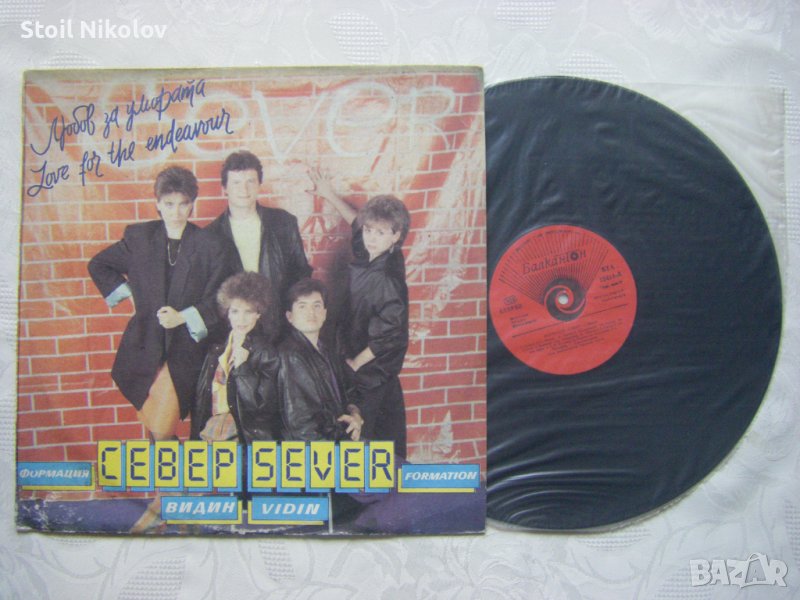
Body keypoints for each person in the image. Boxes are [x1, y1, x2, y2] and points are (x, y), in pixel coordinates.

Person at [88, 166, 233, 444]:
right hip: (145, 343)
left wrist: (183, 317)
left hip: (186, 347)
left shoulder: (210, 245)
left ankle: (169, 461)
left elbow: (220, 297)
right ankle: (165, 465)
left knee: (162, 423)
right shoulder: (139, 237)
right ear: (157, 204)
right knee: (155, 426)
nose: (176, 212)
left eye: (183, 204)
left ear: (192, 204)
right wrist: (131, 294)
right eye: (168, 204)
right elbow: (98, 264)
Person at [307, 169, 410, 458]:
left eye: (380, 233)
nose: (371, 238)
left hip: (370, 373)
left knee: (365, 440)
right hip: (371, 369)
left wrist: (354, 365)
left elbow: (390, 335)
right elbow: (357, 223)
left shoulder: (387, 278)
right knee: (386, 439)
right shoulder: (375, 253)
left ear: (396, 236)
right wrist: (329, 195)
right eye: (369, 231)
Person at [205, 150, 312, 335]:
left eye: (250, 181)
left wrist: (292, 320)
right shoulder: (210, 236)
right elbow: (211, 293)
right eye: (236, 182)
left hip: (280, 325)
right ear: (225, 188)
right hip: (234, 328)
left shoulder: (284, 223)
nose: (244, 190)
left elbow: (301, 274)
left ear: (259, 185)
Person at [191, 272, 280, 445]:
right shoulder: (216, 350)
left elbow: (264, 407)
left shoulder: (266, 352)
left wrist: (242, 369)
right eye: (235, 311)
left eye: (248, 312)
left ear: (258, 314)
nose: (241, 319)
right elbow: (202, 402)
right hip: (211, 430)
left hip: (244, 434)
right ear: (227, 313)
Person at [277, 278, 363, 442]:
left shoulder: (326, 349)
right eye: (302, 306)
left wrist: (355, 414)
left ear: (324, 313)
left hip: (338, 436)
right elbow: (302, 427)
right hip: (315, 448)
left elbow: (349, 390)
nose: (311, 313)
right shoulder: (291, 356)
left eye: (316, 306)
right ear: (289, 316)